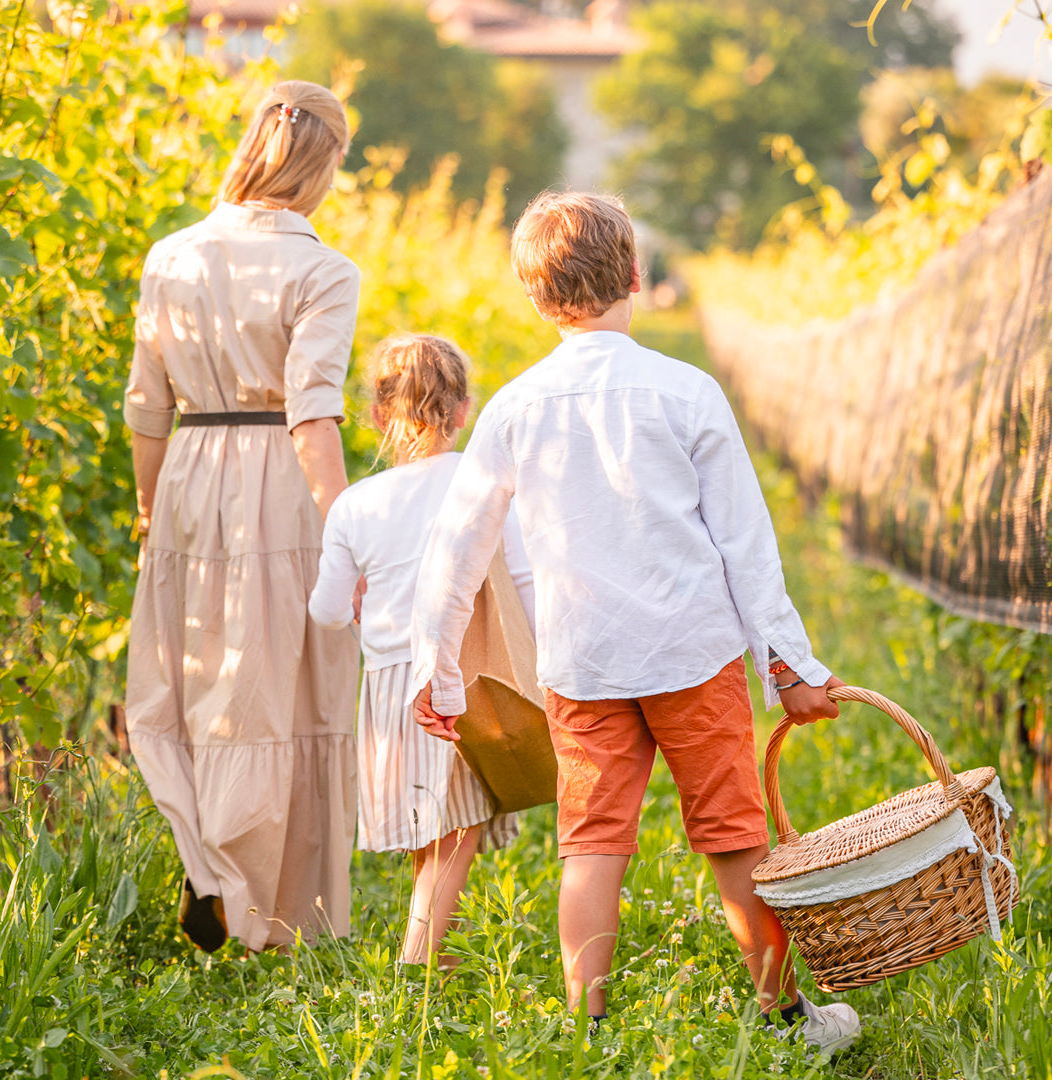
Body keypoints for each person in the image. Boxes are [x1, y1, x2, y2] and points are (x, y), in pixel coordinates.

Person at [410, 191, 861, 1054]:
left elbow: (455, 549)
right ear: (636, 276)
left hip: (581, 661)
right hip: (693, 653)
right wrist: (789, 665)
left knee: (591, 844)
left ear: (536, 301)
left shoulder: (511, 407)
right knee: (735, 839)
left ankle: (588, 1034)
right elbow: (745, 544)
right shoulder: (687, 393)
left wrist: (439, 668)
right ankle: (785, 1017)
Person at [124, 81, 361, 954]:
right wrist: (346, 526)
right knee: (276, 687)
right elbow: (312, 410)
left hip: (190, 467)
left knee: (192, 681)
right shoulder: (323, 270)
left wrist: (151, 500)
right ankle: (254, 899)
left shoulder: (171, 256)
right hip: (274, 480)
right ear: (324, 162)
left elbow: (146, 403)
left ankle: (209, 864)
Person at [308, 333, 535, 965]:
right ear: (464, 411)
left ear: (379, 415)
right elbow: (519, 574)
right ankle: (416, 964)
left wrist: (356, 594)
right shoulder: (482, 481)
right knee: (453, 834)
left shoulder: (355, 505)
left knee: (432, 836)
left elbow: (326, 611)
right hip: (462, 677)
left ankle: (438, 958)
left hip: (387, 689)